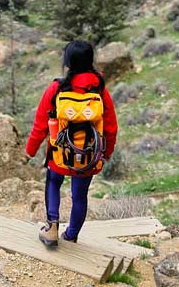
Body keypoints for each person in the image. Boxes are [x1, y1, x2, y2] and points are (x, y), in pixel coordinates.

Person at [25, 40, 118, 247]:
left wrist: (30, 151)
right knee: (79, 196)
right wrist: (106, 153)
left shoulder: (57, 88)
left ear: (67, 62)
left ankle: (51, 229)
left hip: (59, 154)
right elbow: (111, 126)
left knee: (53, 183)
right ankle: (71, 235)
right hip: (88, 156)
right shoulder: (99, 88)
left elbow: (40, 124)